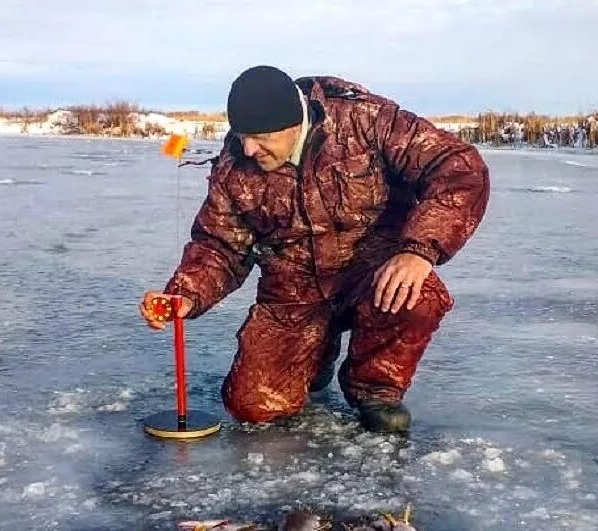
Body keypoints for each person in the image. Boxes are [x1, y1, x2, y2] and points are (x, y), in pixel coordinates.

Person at [139, 65, 489, 433]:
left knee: (417, 296)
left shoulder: (366, 121)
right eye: (242, 136)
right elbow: (219, 245)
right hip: (294, 292)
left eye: (259, 137)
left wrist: (418, 251)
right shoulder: (235, 166)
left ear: (294, 123)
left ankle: (374, 387)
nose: (248, 148)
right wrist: (186, 295)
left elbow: (460, 168)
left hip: (371, 274)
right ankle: (317, 350)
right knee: (252, 406)